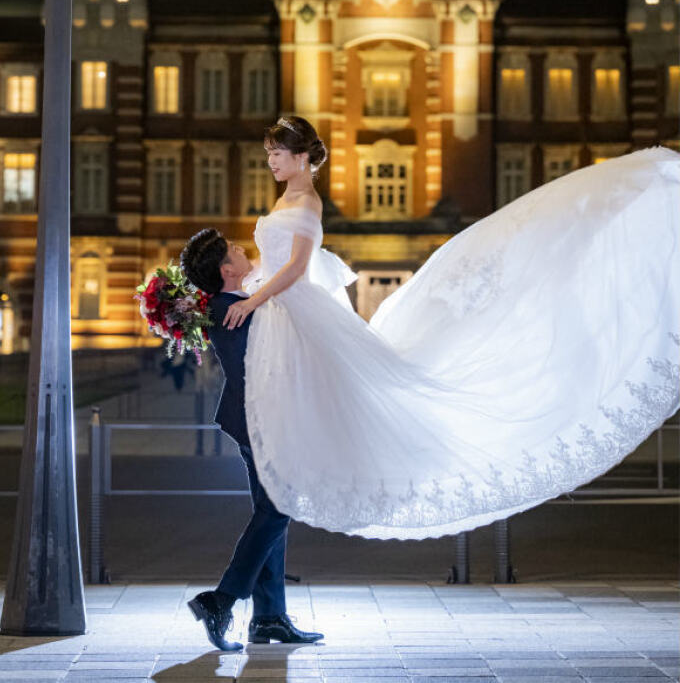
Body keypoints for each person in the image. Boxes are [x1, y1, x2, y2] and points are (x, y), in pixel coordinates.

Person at [205, 116, 680, 542]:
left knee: (355, 402)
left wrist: (254, 297)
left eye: (276, 154)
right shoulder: (285, 197)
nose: (269, 162)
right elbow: (272, 265)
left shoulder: (307, 201)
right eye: (269, 154)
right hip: (284, 313)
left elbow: (297, 267)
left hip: (296, 308)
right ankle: (271, 587)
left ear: (302, 157)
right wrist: (235, 288)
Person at [179, 227, 324, 652]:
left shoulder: (233, 305)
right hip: (262, 422)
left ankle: (269, 618)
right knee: (279, 507)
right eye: (235, 250)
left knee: (270, 510)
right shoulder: (237, 309)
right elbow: (270, 368)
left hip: (252, 421)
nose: (244, 249)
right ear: (227, 270)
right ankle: (222, 599)